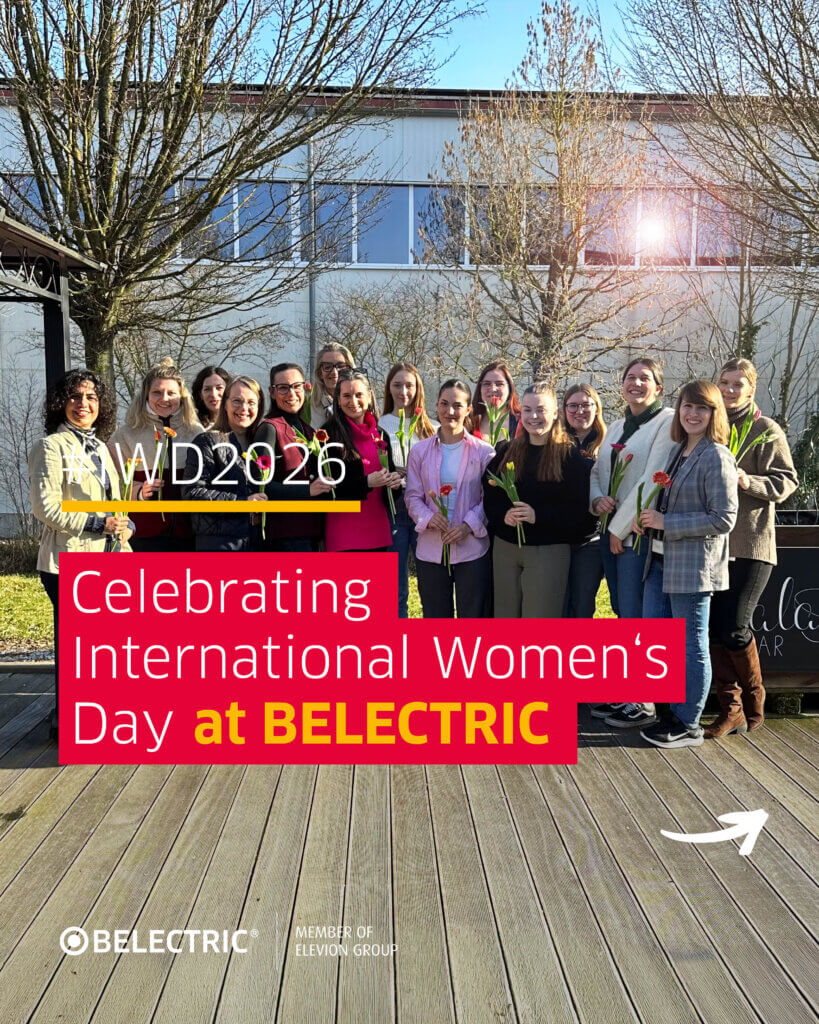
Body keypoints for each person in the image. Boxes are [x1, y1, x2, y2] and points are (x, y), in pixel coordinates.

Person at [633, 380, 738, 749]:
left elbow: (723, 519)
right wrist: (648, 517)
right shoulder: (679, 451)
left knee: (691, 645)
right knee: (658, 642)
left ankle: (689, 722)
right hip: (659, 561)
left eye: (702, 408)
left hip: (692, 567)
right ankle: (668, 712)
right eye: (687, 406)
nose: (692, 413)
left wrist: (667, 524)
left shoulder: (716, 455)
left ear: (714, 414)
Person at [29, 369, 133, 737]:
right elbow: (47, 508)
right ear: (62, 403)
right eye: (75, 397)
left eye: (90, 397)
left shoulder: (101, 447)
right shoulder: (50, 447)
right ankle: (69, 721)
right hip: (68, 560)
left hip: (108, 557)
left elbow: (113, 502)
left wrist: (124, 524)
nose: (83, 404)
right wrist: (98, 523)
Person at [706, 358, 798, 736]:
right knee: (714, 627)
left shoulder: (766, 428)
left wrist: (748, 481)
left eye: (737, 383)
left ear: (751, 388)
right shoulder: (713, 427)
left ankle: (754, 699)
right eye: (724, 382)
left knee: (735, 626)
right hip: (712, 544)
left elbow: (787, 481)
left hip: (751, 541)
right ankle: (731, 709)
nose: (729, 390)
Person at [588, 357, 676, 729]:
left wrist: (617, 529)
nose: (636, 384)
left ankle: (643, 701)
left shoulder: (665, 422)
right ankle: (628, 690)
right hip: (610, 530)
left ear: (658, 386)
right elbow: (597, 470)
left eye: (645, 379)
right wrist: (596, 502)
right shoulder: (619, 425)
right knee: (624, 612)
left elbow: (652, 479)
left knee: (639, 615)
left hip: (634, 533)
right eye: (630, 378)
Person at [484, 383, 598, 617]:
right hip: (506, 549)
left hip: (548, 550)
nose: (533, 416)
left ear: (555, 412)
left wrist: (539, 516)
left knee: (539, 620)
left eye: (541, 410)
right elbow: (489, 493)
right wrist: (503, 515)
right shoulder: (507, 451)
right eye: (527, 410)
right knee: (504, 619)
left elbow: (579, 512)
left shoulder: (569, 457)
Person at [406, 380, 495, 617]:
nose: (450, 412)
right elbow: (413, 496)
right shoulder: (420, 451)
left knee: (473, 616)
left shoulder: (484, 452)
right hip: (432, 548)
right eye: (444, 404)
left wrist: (468, 525)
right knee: (436, 617)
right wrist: (428, 517)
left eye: (457, 405)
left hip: (471, 549)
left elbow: (491, 499)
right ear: (437, 406)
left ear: (468, 410)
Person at [108, 357, 201, 551]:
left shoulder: (196, 432)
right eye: (157, 392)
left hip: (189, 534)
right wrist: (139, 491)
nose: (164, 399)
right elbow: (110, 481)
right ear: (146, 396)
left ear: (182, 396)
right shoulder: (126, 434)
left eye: (171, 393)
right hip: (143, 535)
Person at [379, 362, 439, 617]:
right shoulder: (379, 425)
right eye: (397, 385)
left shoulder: (433, 428)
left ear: (418, 389)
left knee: (430, 584)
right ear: (388, 388)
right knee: (395, 587)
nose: (403, 391)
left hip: (425, 511)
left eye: (409, 385)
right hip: (393, 509)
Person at [253, 363, 334, 551]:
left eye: (297, 386)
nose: (291, 394)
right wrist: (307, 491)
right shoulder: (269, 428)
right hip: (285, 536)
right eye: (283, 388)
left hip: (313, 532)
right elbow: (260, 486)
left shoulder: (308, 430)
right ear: (272, 392)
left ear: (305, 388)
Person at [182, 376, 267, 551]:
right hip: (219, 543)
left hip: (256, 540)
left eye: (251, 402)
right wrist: (243, 503)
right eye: (237, 401)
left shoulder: (260, 444)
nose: (244, 408)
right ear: (225, 404)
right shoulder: (207, 441)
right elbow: (192, 493)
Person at [322, 369, 402, 552]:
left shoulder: (381, 435)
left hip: (378, 532)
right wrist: (366, 482)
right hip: (345, 535)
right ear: (338, 400)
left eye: (359, 395)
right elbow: (328, 492)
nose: (353, 402)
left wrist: (394, 484)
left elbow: (387, 494)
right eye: (347, 396)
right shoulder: (327, 435)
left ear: (369, 396)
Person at [562, 383, 607, 617]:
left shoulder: (609, 445)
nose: (579, 411)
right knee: (558, 604)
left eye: (585, 405)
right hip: (557, 540)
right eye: (573, 405)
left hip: (591, 541)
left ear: (596, 408)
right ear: (564, 410)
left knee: (582, 606)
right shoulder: (554, 443)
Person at [470, 360, 521, 444]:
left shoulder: (520, 421)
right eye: (487, 384)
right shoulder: (469, 421)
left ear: (510, 388)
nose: (493, 389)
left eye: (499, 384)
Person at [310, 343, 355, 428]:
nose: (334, 372)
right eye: (327, 367)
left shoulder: (361, 400)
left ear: (350, 370)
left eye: (341, 366)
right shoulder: (311, 404)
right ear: (320, 373)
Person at [191, 365, 231, 429]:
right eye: (207, 389)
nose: (213, 394)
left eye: (219, 388)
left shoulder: (237, 425)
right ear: (200, 394)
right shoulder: (193, 427)